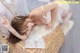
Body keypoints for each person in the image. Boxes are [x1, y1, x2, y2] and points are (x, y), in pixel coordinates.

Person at [0, 1, 71, 48]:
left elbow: (55, 6)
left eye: (26, 28)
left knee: (66, 17)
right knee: (63, 24)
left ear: (23, 22)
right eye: (26, 30)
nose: (28, 30)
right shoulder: (31, 24)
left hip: (61, 7)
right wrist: (9, 27)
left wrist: (52, 22)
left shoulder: (34, 14)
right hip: (58, 16)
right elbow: (24, 37)